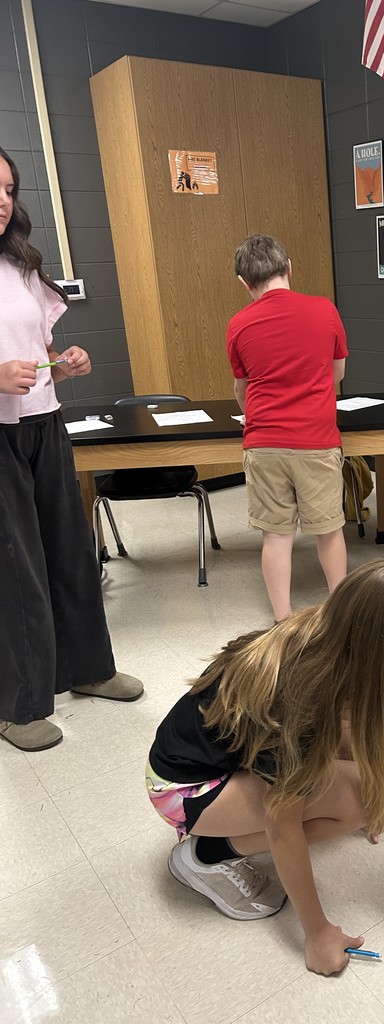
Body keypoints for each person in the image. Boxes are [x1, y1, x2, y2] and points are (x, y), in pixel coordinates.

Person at [146, 558, 384, 976]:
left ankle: (220, 837)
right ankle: (207, 855)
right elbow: (281, 826)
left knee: (363, 793)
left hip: (210, 764)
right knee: (356, 801)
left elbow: (346, 728)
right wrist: (318, 932)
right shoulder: (295, 701)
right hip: (183, 791)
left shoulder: (321, 640)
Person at [0, 146, 143, 753]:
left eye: (8, 189)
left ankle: (87, 667)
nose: (2, 201)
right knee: (16, 568)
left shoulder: (23, 265)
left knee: (70, 553)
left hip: (44, 424)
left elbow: (38, 355)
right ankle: (18, 704)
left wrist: (66, 365)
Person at [226, 235, 348, 622]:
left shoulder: (239, 324)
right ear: (289, 267)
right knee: (328, 531)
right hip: (316, 440)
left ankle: (282, 619)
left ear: (245, 283)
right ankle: (340, 612)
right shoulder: (324, 310)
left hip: (264, 444)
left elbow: (242, 388)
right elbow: (337, 372)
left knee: (276, 536)